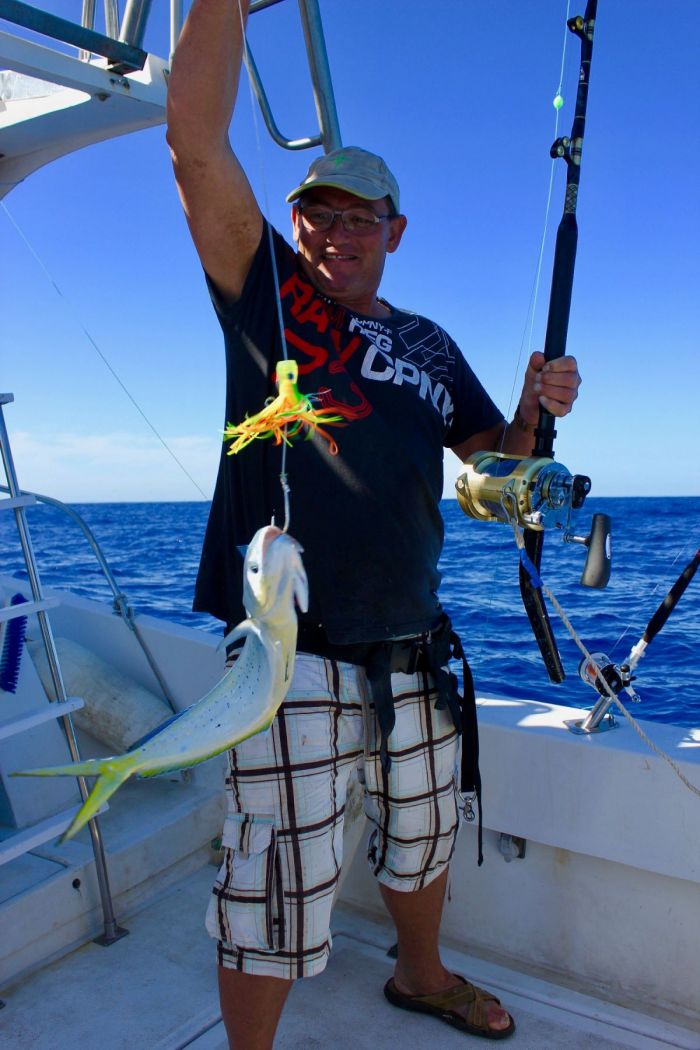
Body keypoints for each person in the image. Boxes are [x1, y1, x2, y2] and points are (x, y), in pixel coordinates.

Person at [166, 3, 581, 1047]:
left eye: (360, 219)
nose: (335, 234)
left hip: (413, 640)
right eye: (320, 214)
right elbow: (196, 144)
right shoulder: (266, 297)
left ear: (395, 232)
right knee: (275, 870)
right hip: (289, 653)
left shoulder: (431, 344)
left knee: (424, 833)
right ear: (295, 224)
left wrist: (536, 411)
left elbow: (497, 473)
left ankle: (421, 976)